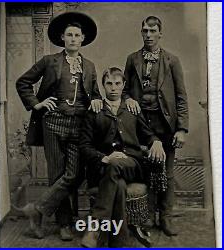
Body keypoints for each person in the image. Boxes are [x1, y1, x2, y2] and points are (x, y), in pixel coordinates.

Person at [16, 12, 102, 240]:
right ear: (62, 38)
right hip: (53, 124)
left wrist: (96, 98)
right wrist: (37, 103)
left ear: (83, 39)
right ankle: (65, 223)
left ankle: (36, 210)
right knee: (57, 175)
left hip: (79, 126)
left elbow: (95, 95)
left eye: (77, 35)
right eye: (69, 35)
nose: (73, 39)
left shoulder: (90, 66)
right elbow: (23, 82)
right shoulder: (49, 61)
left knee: (72, 174)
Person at [80, 67, 166, 247]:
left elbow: (147, 134)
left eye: (117, 83)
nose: (113, 87)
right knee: (117, 184)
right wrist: (105, 158)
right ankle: (120, 241)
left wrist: (156, 142)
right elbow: (84, 146)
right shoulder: (94, 111)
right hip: (104, 167)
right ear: (103, 86)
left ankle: (95, 228)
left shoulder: (131, 108)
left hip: (132, 165)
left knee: (116, 167)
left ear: (123, 85)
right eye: (109, 83)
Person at [123, 16, 189, 236]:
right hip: (140, 125)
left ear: (160, 33)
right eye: (145, 31)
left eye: (152, 31)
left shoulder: (172, 60)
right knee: (146, 172)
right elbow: (123, 89)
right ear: (141, 33)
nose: (148, 35)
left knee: (167, 174)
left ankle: (166, 217)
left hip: (166, 124)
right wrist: (128, 99)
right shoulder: (132, 59)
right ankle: (147, 215)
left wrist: (181, 128)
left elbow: (181, 96)